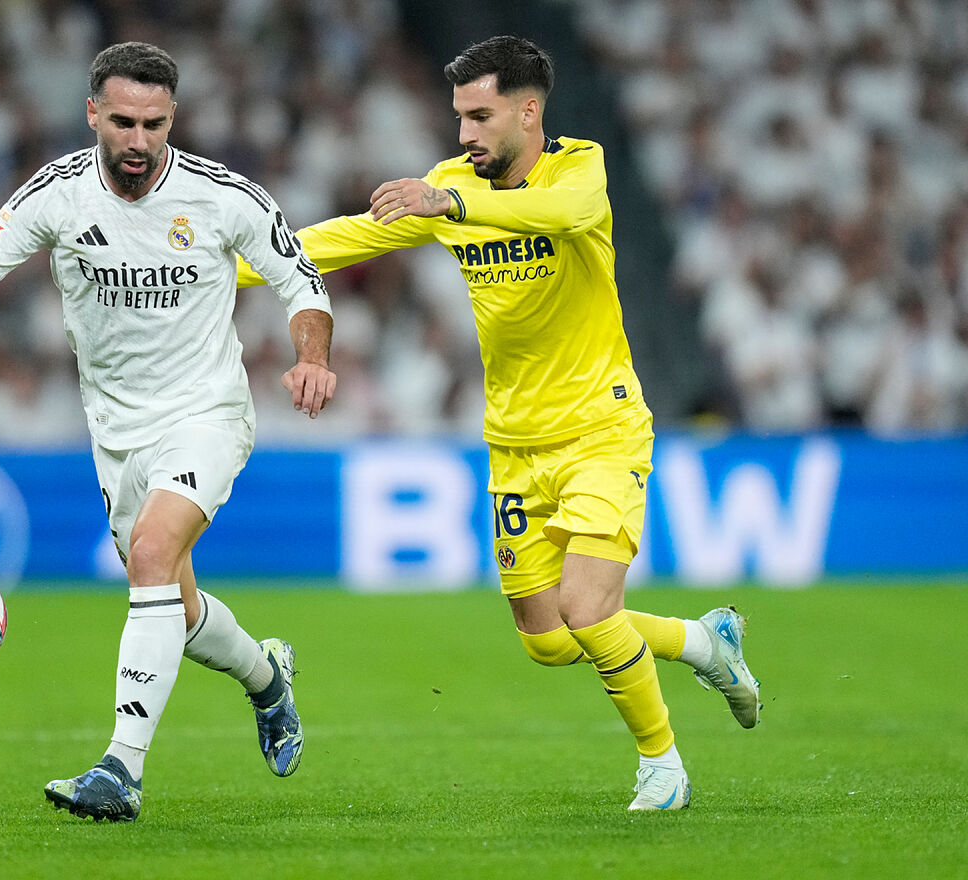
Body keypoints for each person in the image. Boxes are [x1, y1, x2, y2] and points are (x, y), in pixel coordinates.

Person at [239, 35, 759, 811]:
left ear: (527, 110)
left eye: (479, 117)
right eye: (458, 119)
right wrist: (221, 260)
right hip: (513, 444)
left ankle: (663, 764)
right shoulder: (454, 185)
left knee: (590, 609)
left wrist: (449, 201)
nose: (464, 136)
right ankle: (701, 642)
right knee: (550, 639)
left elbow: (561, 211)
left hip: (599, 429)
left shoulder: (579, 168)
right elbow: (345, 237)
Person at [0, 41, 337, 823]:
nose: (138, 139)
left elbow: (301, 279)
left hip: (207, 412)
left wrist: (311, 356)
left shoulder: (225, 197)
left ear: (172, 119)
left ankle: (120, 770)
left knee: (152, 554)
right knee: (173, 607)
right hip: (116, 430)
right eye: (122, 120)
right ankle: (268, 679)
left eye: (154, 123)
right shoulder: (56, 194)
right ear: (93, 113)